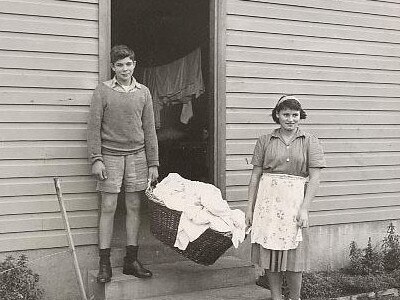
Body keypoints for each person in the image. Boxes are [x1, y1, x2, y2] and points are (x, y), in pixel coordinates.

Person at [87, 45, 159, 283]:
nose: (124, 69)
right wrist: (96, 159)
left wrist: (153, 163)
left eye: (128, 64)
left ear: (134, 65)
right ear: (113, 67)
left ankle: (131, 260)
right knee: (108, 206)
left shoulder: (144, 92)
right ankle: (104, 264)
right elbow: (93, 128)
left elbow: (150, 129)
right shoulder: (103, 91)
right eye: (119, 65)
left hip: (137, 156)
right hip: (110, 156)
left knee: (134, 206)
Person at [246, 95, 326, 300]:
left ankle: (295, 297)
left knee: (293, 254)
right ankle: (276, 297)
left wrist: (305, 208)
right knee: (271, 252)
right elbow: (255, 176)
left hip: (294, 202)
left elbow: (315, 178)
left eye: (295, 115)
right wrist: (249, 208)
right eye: (286, 114)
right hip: (268, 201)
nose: (290, 119)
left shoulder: (310, 141)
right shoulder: (265, 140)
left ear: (301, 116)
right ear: (278, 115)